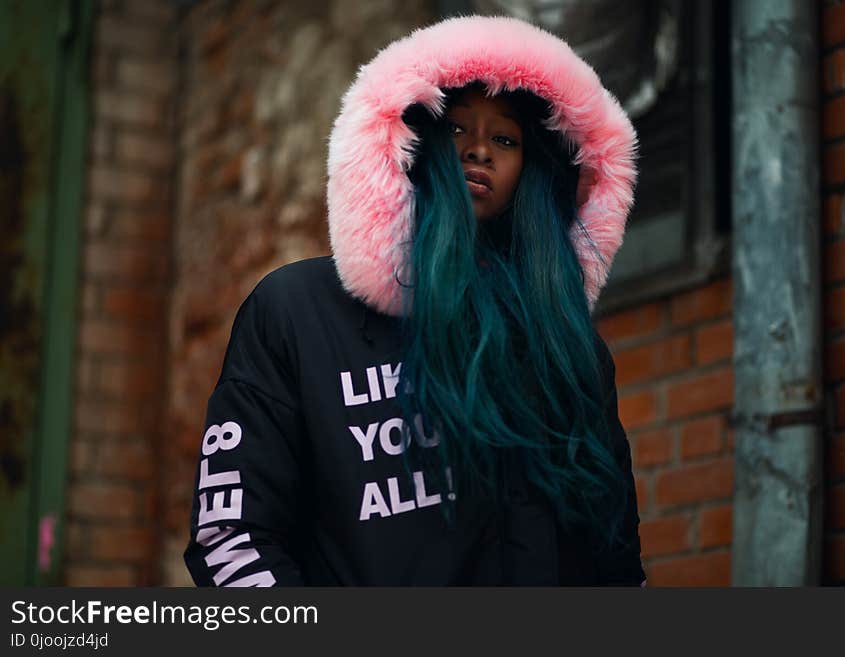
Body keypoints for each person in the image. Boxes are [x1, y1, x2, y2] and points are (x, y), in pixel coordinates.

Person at [184, 15, 646, 587]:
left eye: (505, 139)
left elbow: (615, 561)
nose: (479, 151)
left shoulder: (569, 351)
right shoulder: (297, 313)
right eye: (455, 130)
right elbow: (232, 537)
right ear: (408, 147)